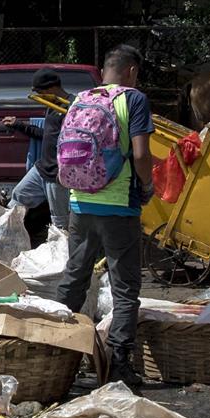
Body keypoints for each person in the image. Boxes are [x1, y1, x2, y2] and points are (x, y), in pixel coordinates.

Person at [55, 45, 155, 386]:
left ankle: (57, 349)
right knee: (125, 286)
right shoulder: (134, 99)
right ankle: (119, 361)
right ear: (131, 71)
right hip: (118, 204)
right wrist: (147, 185)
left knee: (75, 277)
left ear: (104, 70)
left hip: (79, 203)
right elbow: (141, 154)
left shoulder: (81, 98)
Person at [2, 68, 73, 231]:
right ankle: (7, 238)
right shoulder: (51, 106)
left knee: (60, 223)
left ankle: (64, 254)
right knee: (17, 199)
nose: (38, 97)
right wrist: (19, 125)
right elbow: (47, 135)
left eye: (40, 92)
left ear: (50, 88)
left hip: (58, 175)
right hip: (42, 169)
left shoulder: (71, 108)